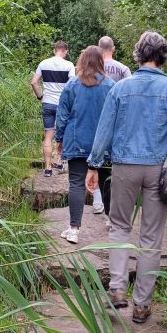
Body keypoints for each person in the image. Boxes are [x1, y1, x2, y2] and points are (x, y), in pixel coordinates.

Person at [85, 31, 167, 324]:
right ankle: (142, 305)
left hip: (124, 167)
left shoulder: (121, 88)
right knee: (151, 238)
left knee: (120, 227)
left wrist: (93, 166)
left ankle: (117, 290)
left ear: (138, 54)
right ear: (164, 55)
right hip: (160, 169)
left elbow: (104, 130)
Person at [54, 46, 115, 244]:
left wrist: (59, 139)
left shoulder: (72, 85)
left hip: (77, 141)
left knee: (76, 184)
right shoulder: (111, 86)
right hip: (104, 145)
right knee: (107, 183)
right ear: (100, 62)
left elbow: (62, 115)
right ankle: (112, 223)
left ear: (82, 61)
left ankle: (74, 229)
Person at [91, 36, 132, 217]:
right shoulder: (123, 69)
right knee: (113, 165)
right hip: (118, 124)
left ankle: (97, 200)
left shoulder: (93, 69)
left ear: (99, 48)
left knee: (96, 160)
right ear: (113, 48)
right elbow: (131, 94)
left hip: (96, 120)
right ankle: (112, 207)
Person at [31, 41, 75, 177]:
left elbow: (34, 82)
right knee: (61, 135)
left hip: (47, 103)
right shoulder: (69, 65)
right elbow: (72, 85)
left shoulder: (43, 63)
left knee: (48, 136)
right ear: (65, 51)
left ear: (54, 50)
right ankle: (60, 162)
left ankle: (48, 168)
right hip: (63, 105)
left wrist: (40, 96)